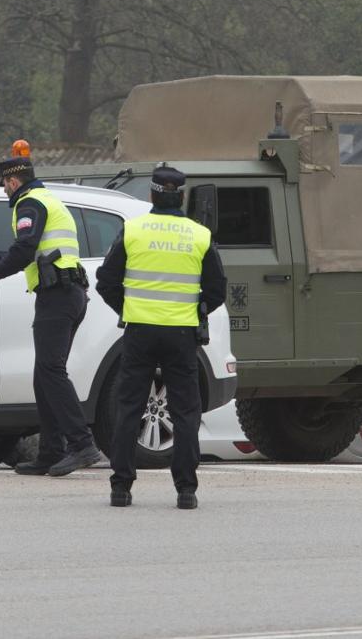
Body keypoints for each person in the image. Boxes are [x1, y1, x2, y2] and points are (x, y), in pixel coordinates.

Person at [94, 165, 226, 509]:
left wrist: (128, 308)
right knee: (185, 411)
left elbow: (106, 280)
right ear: (180, 195)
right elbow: (217, 290)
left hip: (139, 333)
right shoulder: (199, 235)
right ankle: (186, 490)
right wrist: (194, 313)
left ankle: (121, 488)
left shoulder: (133, 230)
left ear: (151, 194)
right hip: (181, 336)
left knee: (128, 408)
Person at [0, 150, 103, 477]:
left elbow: (24, 252)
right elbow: (32, 250)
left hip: (57, 295)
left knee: (51, 370)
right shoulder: (45, 199)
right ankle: (50, 452)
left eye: (4, 184)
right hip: (67, 293)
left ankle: (82, 444)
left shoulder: (28, 203)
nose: (3, 190)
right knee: (44, 374)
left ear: (13, 181)